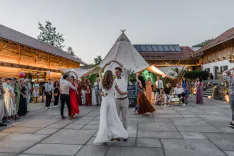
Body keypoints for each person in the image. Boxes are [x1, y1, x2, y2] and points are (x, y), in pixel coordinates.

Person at [94, 61, 128, 144]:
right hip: (112, 102)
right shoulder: (114, 82)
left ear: (105, 75)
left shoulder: (102, 81)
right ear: (111, 75)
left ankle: (105, 137)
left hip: (105, 102)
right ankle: (121, 134)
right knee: (114, 119)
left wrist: (106, 65)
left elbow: (100, 72)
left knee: (104, 119)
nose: (115, 73)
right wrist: (126, 92)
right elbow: (120, 92)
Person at [113, 60, 129, 132]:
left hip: (125, 100)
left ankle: (125, 133)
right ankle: (118, 132)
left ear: (121, 72)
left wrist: (116, 61)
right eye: (115, 72)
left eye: (117, 72)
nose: (116, 73)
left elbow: (123, 67)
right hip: (116, 100)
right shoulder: (114, 80)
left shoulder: (125, 77)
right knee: (116, 117)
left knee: (124, 118)